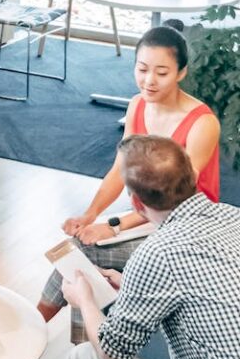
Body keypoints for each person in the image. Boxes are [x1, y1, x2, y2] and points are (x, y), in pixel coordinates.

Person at [38, 21, 220, 341]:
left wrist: (114, 226)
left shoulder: (202, 123)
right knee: (82, 245)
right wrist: (90, 214)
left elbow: (171, 200)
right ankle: (75, 347)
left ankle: (40, 330)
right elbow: (118, 171)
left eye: (161, 73)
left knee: (84, 251)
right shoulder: (137, 104)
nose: (149, 80)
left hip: (183, 229)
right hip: (149, 219)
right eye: (142, 69)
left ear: (181, 73)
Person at [50, 135, 240, 359]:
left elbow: (112, 351)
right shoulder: (233, 217)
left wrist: (84, 301)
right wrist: (130, 285)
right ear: (191, 176)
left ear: (137, 204)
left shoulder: (158, 251)